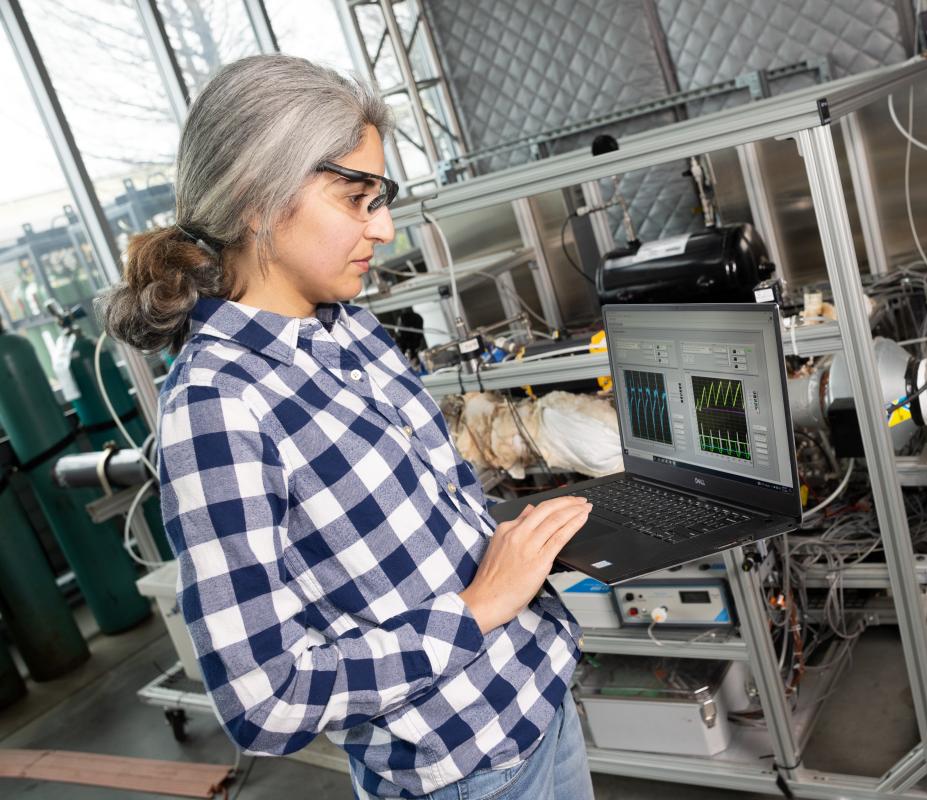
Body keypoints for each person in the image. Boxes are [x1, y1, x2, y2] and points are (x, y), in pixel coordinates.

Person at [99, 54, 594, 800]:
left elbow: (435, 521)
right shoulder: (217, 407)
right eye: (357, 199)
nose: (386, 229)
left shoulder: (349, 329)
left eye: (381, 198)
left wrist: (530, 549)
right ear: (256, 199)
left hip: (539, 698)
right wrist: (480, 607)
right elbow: (263, 702)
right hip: (463, 774)